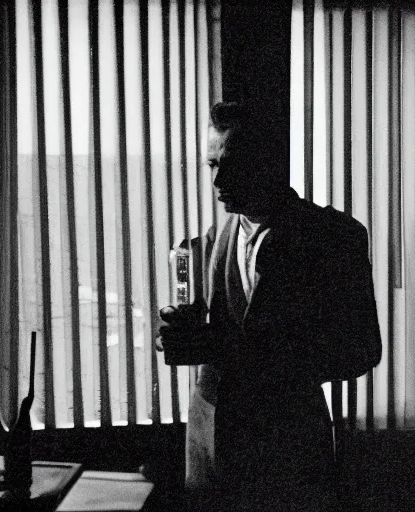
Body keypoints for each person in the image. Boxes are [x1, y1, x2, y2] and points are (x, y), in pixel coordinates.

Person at [157, 101, 382, 511]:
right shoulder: (210, 243)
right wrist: (176, 333)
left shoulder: (334, 238)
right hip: (208, 444)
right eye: (211, 165)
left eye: (232, 162)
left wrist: (242, 353)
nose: (218, 178)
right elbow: (210, 334)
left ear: (270, 161)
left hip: (288, 449)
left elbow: (362, 349)